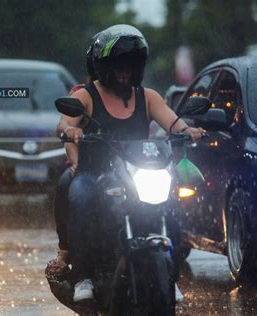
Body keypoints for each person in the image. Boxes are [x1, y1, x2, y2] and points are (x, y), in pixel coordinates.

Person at [56, 24, 205, 303]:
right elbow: (64, 123)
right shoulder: (86, 96)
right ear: (103, 66)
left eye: (130, 63)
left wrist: (188, 131)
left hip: (139, 172)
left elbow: (173, 121)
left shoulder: (147, 96)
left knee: (170, 204)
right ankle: (83, 276)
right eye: (117, 64)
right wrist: (71, 130)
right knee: (80, 196)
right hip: (96, 173)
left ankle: (168, 276)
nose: (124, 69)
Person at [46, 34, 99, 276]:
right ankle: (66, 248)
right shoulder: (81, 94)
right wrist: (78, 164)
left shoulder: (138, 95)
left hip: (124, 167)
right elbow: (67, 132)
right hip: (88, 165)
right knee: (66, 183)